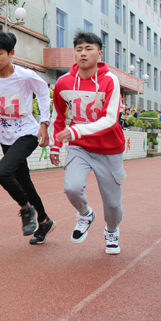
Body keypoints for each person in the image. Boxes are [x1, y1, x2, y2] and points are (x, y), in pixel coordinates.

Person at [0, 31, 54, 245]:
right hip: (5, 134)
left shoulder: (25, 76)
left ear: (11, 54)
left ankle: (26, 208)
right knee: (23, 180)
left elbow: (44, 92)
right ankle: (44, 220)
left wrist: (44, 123)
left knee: (2, 172)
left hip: (28, 131)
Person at [50, 32, 126, 254]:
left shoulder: (110, 80)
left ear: (100, 53)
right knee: (71, 188)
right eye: (79, 49)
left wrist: (76, 130)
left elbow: (110, 120)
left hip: (109, 149)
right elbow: (60, 116)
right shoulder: (63, 83)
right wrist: (55, 145)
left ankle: (111, 231)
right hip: (79, 146)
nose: (83, 53)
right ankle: (85, 214)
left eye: (89, 49)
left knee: (112, 204)